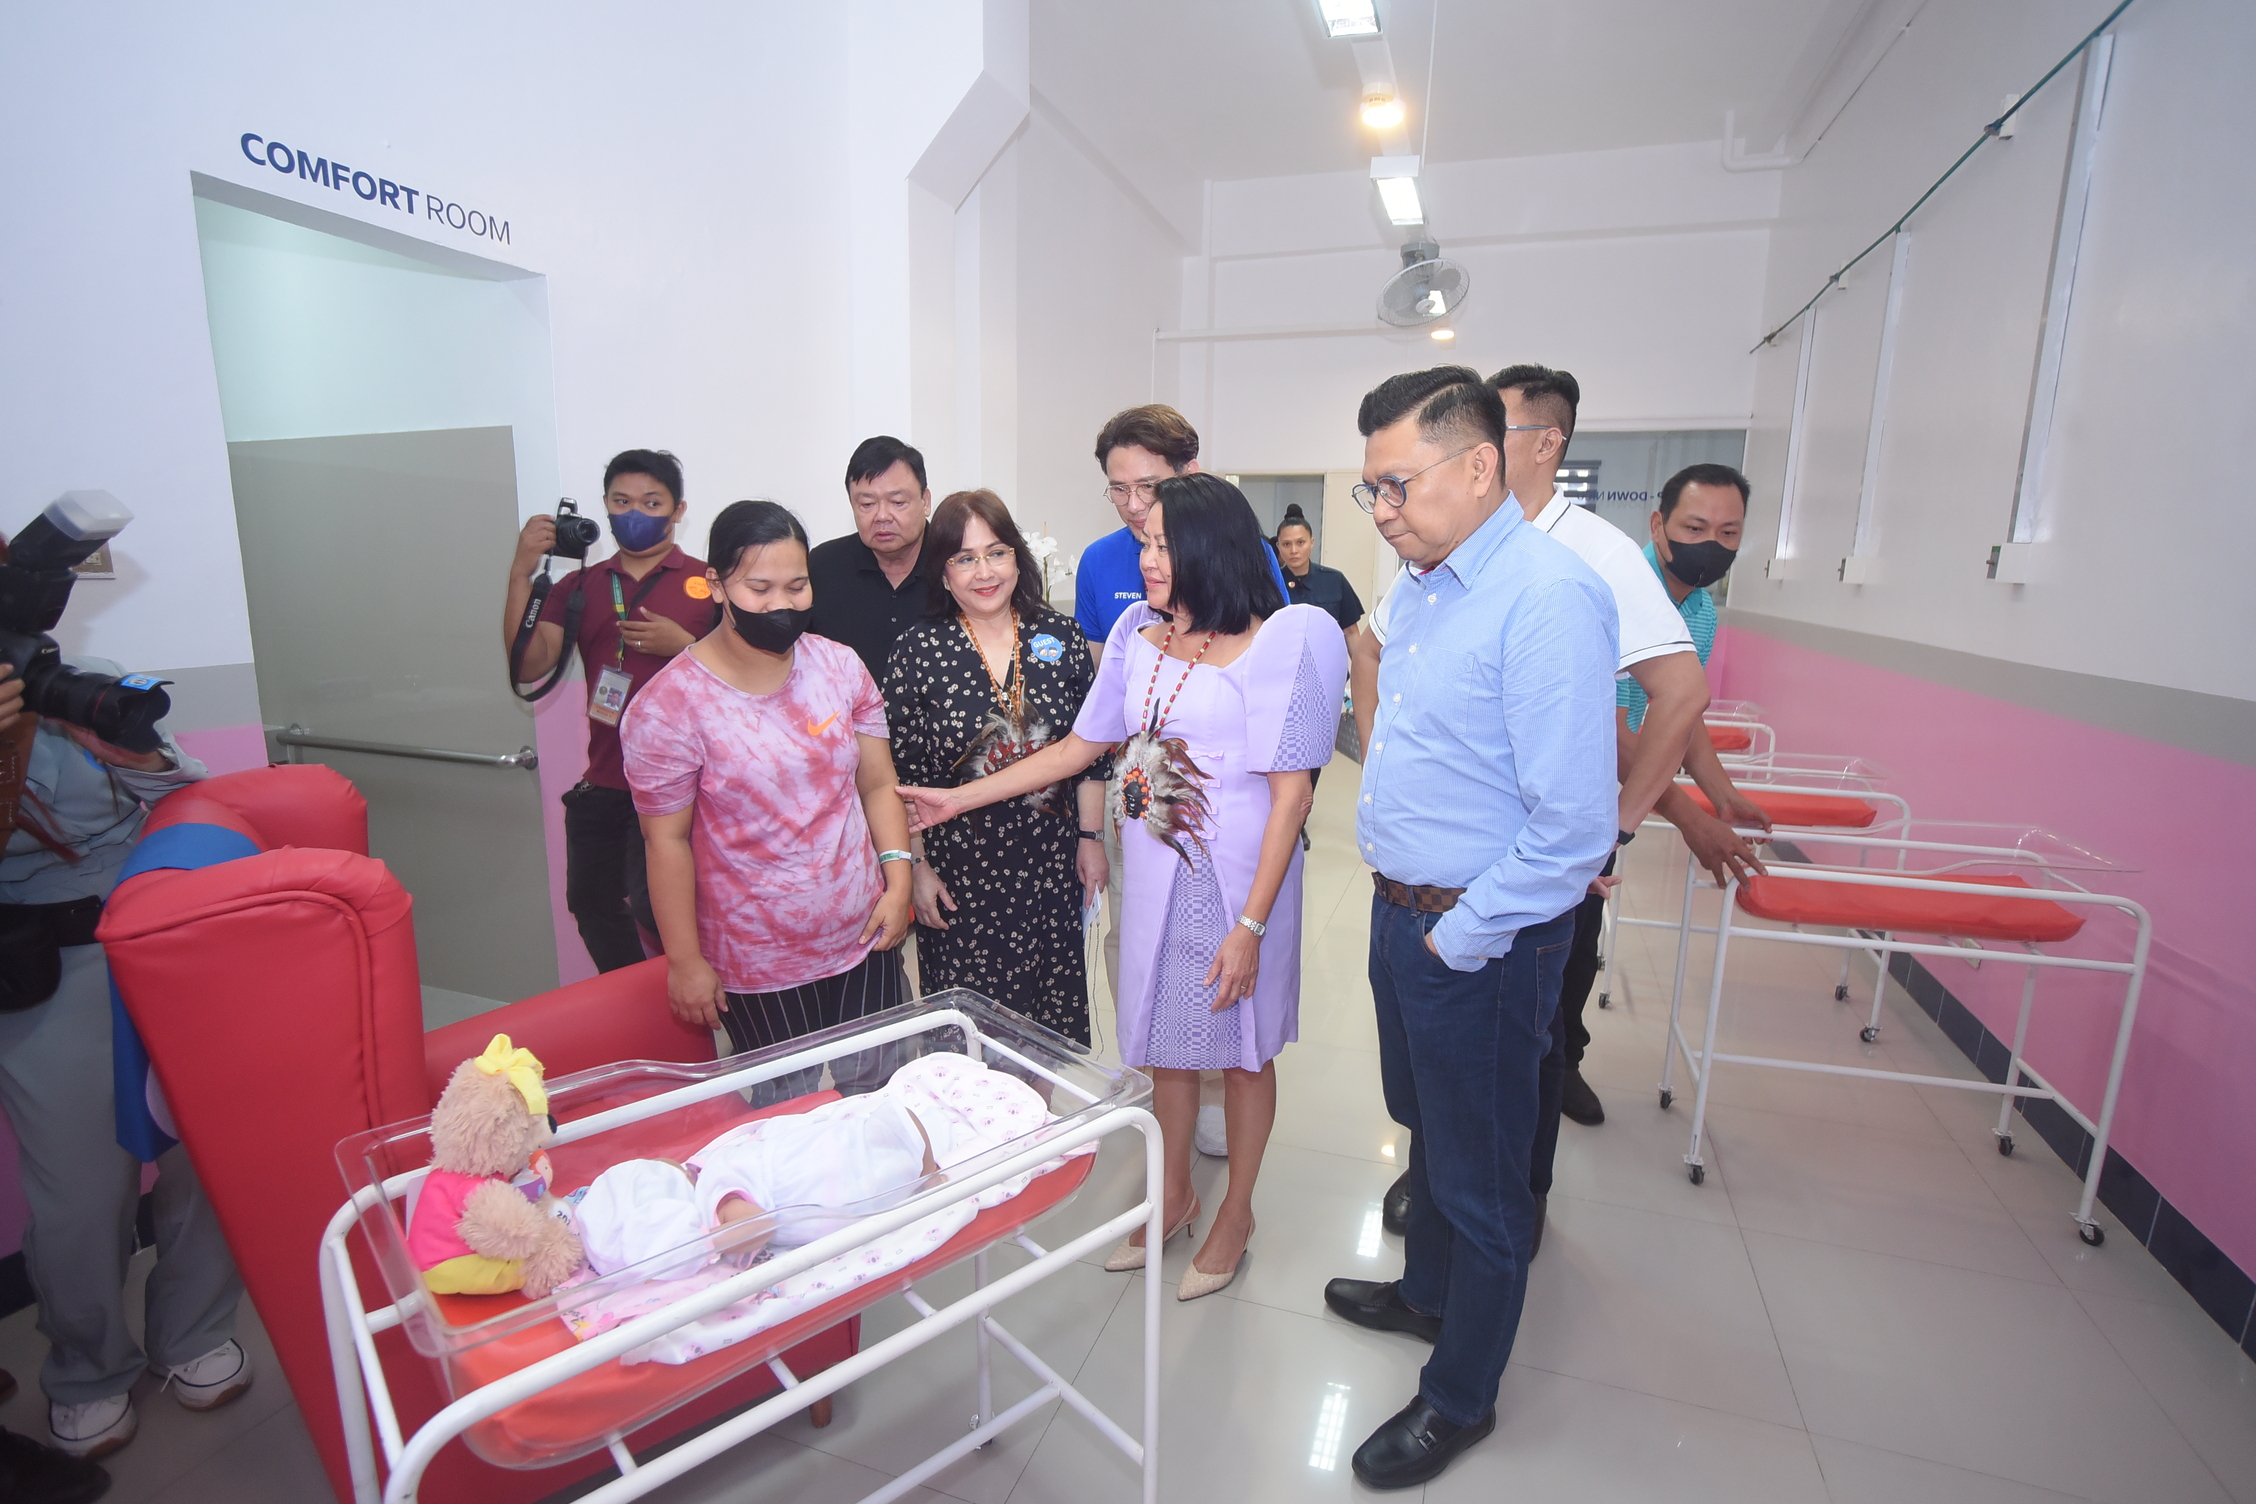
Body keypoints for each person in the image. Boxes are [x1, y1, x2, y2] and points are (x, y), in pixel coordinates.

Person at [904, 474, 1347, 1303]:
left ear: (1210, 547)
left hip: (1241, 887)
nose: (1146, 559)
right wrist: (956, 798)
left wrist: (1250, 925)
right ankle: (1173, 1193)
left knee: (1244, 1054)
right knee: (1161, 1046)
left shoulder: (1279, 640)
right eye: (1144, 542)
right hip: (1157, 880)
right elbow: (1079, 750)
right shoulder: (1139, 636)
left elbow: (1294, 794)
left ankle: (1237, 1211)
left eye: (1163, 544)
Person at [1322, 367, 1616, 1490]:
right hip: (1407, 915)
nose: (1383, 510)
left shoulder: (1544, 596)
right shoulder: (1433, 588)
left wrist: (1462, 934)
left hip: (1481, 937)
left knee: (1487, 1179)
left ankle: (1461, 1397)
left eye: (1395, 485)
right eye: (1371, 491)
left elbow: (1574, 826)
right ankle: (1425, 1292)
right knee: (1429, 1129)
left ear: (1481, 465)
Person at [0, 661, 252, 1465]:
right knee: (80, 1189)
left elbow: (188, 785)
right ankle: (85, 1371)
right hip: (47, 967)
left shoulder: (68, 687)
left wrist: (128, 751)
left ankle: (196, 1332)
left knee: (204, 1152)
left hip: (161, 943)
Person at [621, 501, 916, 1102]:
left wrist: (898, 879)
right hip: (757, 957)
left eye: (797, 585)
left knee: (883, 1091)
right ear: (717, 587)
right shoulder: (669, 707)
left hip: (864, 930)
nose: (782, 604)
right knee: (789, 1112)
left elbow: (878, 784)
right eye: (759, 587)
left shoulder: (838, 667)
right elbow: (666, 841)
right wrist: (685, 961)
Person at [1075, 407, 1290, 1159]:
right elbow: (1105, 714)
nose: (1138, 517)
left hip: (1228, 830)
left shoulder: (1250, 576)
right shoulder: (1108, 570)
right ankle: (1166, 1160)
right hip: (1143, 808)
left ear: (1188, 479)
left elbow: (1281, 747)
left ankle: (1216, 1162)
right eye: (1119, 491)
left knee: (1234, 1014)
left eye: (1151, 490)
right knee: (1152, 980)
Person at [882, 490, 1107, 1045]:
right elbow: (897, 777)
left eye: (997, 552)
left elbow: (1090, 753)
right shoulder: (917, 651)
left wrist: (1090, 837)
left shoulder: (1062, 638)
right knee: (967, 1040)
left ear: (1018, 559)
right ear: (942, 572)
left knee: (1046, 1036)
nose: (984, 572)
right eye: (964, 558)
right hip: (961, 876)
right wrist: (916, 869)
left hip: (1051, 867)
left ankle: (1042, 1132)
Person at [503, 449, 710, 973]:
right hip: (606, 778)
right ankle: (632, 1010)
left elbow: (747, 677)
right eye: (621, 501)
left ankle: (700, 1005)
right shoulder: (579, 587)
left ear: (678, 509)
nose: (633, 512)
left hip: (687, 784)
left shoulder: (709, 582)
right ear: (604, 506)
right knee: (592, 904)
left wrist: (685, 647)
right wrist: (521, 573)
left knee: (657, 906)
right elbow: (529, 665)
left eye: (650, 501)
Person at [808, 436, 935, 685]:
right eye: (867, 504)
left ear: (925, 501)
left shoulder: (956, 566)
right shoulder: (821, 567)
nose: (882, 516)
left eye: (898, 502)